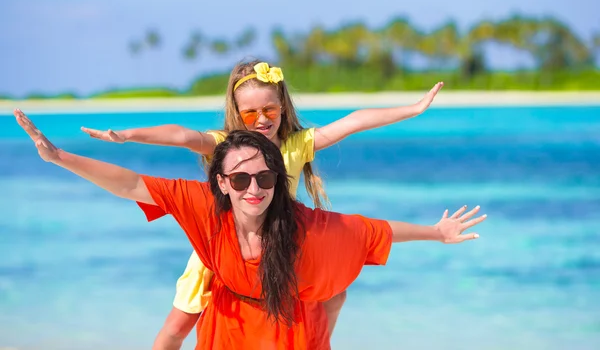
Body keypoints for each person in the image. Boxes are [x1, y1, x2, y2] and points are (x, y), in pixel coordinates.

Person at [14, 109, 486, 350]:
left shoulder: (307, 226)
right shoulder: (204, 206)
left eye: (264, 177)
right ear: (222, 182)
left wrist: (434, 232)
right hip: (229, 330)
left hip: (289, 332)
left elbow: (372, 232)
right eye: (240, 179)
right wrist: (60, 158)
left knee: (332, 296)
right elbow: (131, 183)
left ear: (279, 180)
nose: (253, 187)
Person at [79, 60, 445, 348]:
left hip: (281, 242)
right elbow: (182, 135)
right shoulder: (226, 144)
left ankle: (319, 343)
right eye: (251, 114)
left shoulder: (299, 143)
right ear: (238, 114)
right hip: (224, 244)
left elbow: (354, 122)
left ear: (282, 107)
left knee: (336, 289)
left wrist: (412, 109)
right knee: (179, 324)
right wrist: (128, 135)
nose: (262, 120)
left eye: (270, 110)